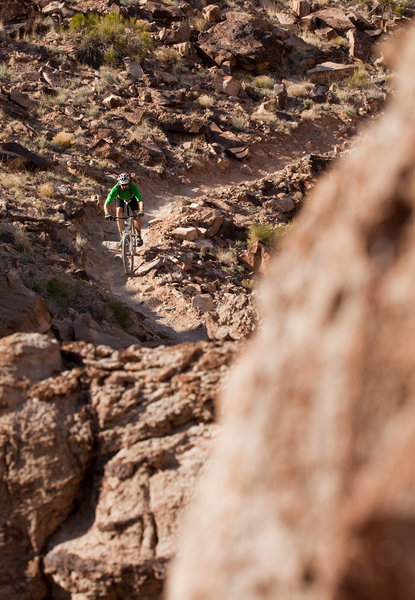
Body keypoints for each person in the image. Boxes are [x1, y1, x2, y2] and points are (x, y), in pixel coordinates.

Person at [104, 172, 144, 246]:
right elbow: (106, 203)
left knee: (136, 214)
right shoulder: (116, 188)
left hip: (132, 198)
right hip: (120, 199)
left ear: (129, 183)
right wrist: (107, 214)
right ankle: (122, 236)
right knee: (118, 212)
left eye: (126, 184)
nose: (124, 186)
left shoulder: (133, 187)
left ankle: (138, 236)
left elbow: (140, 200)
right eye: (122, 185)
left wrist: (141, 210)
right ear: (119, 183)